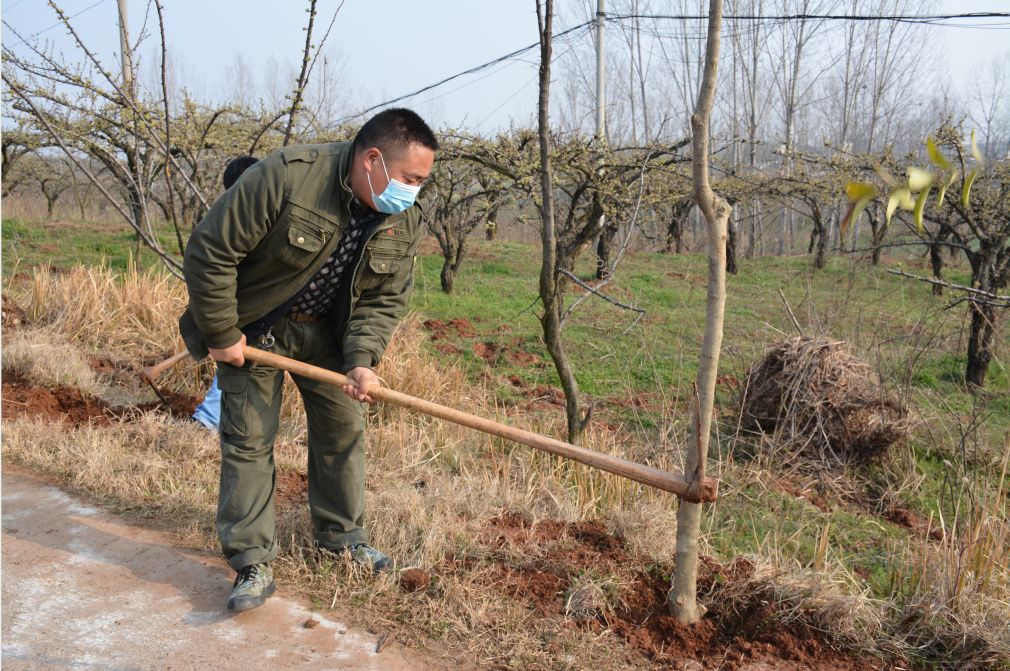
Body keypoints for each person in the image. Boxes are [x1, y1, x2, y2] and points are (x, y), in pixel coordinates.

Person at [179, 109, 438, 613]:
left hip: (329, 337)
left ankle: (343, 539)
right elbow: (211, 250)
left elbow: (382, 298)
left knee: (343, 430)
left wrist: (362, 359)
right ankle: (252, 560)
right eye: (411, 179)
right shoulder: (287, 175)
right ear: (373, 160)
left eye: (421, 183)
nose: (414, 192)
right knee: (249, 439)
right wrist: (221, 330)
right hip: (257, 328)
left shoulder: (403, 217)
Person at [191, 155, 260, 431]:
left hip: (249, 311)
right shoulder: (235, 221)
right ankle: (207, 420)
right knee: (234, 367)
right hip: (239, 312)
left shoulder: (259, 214)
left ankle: (212, 420)